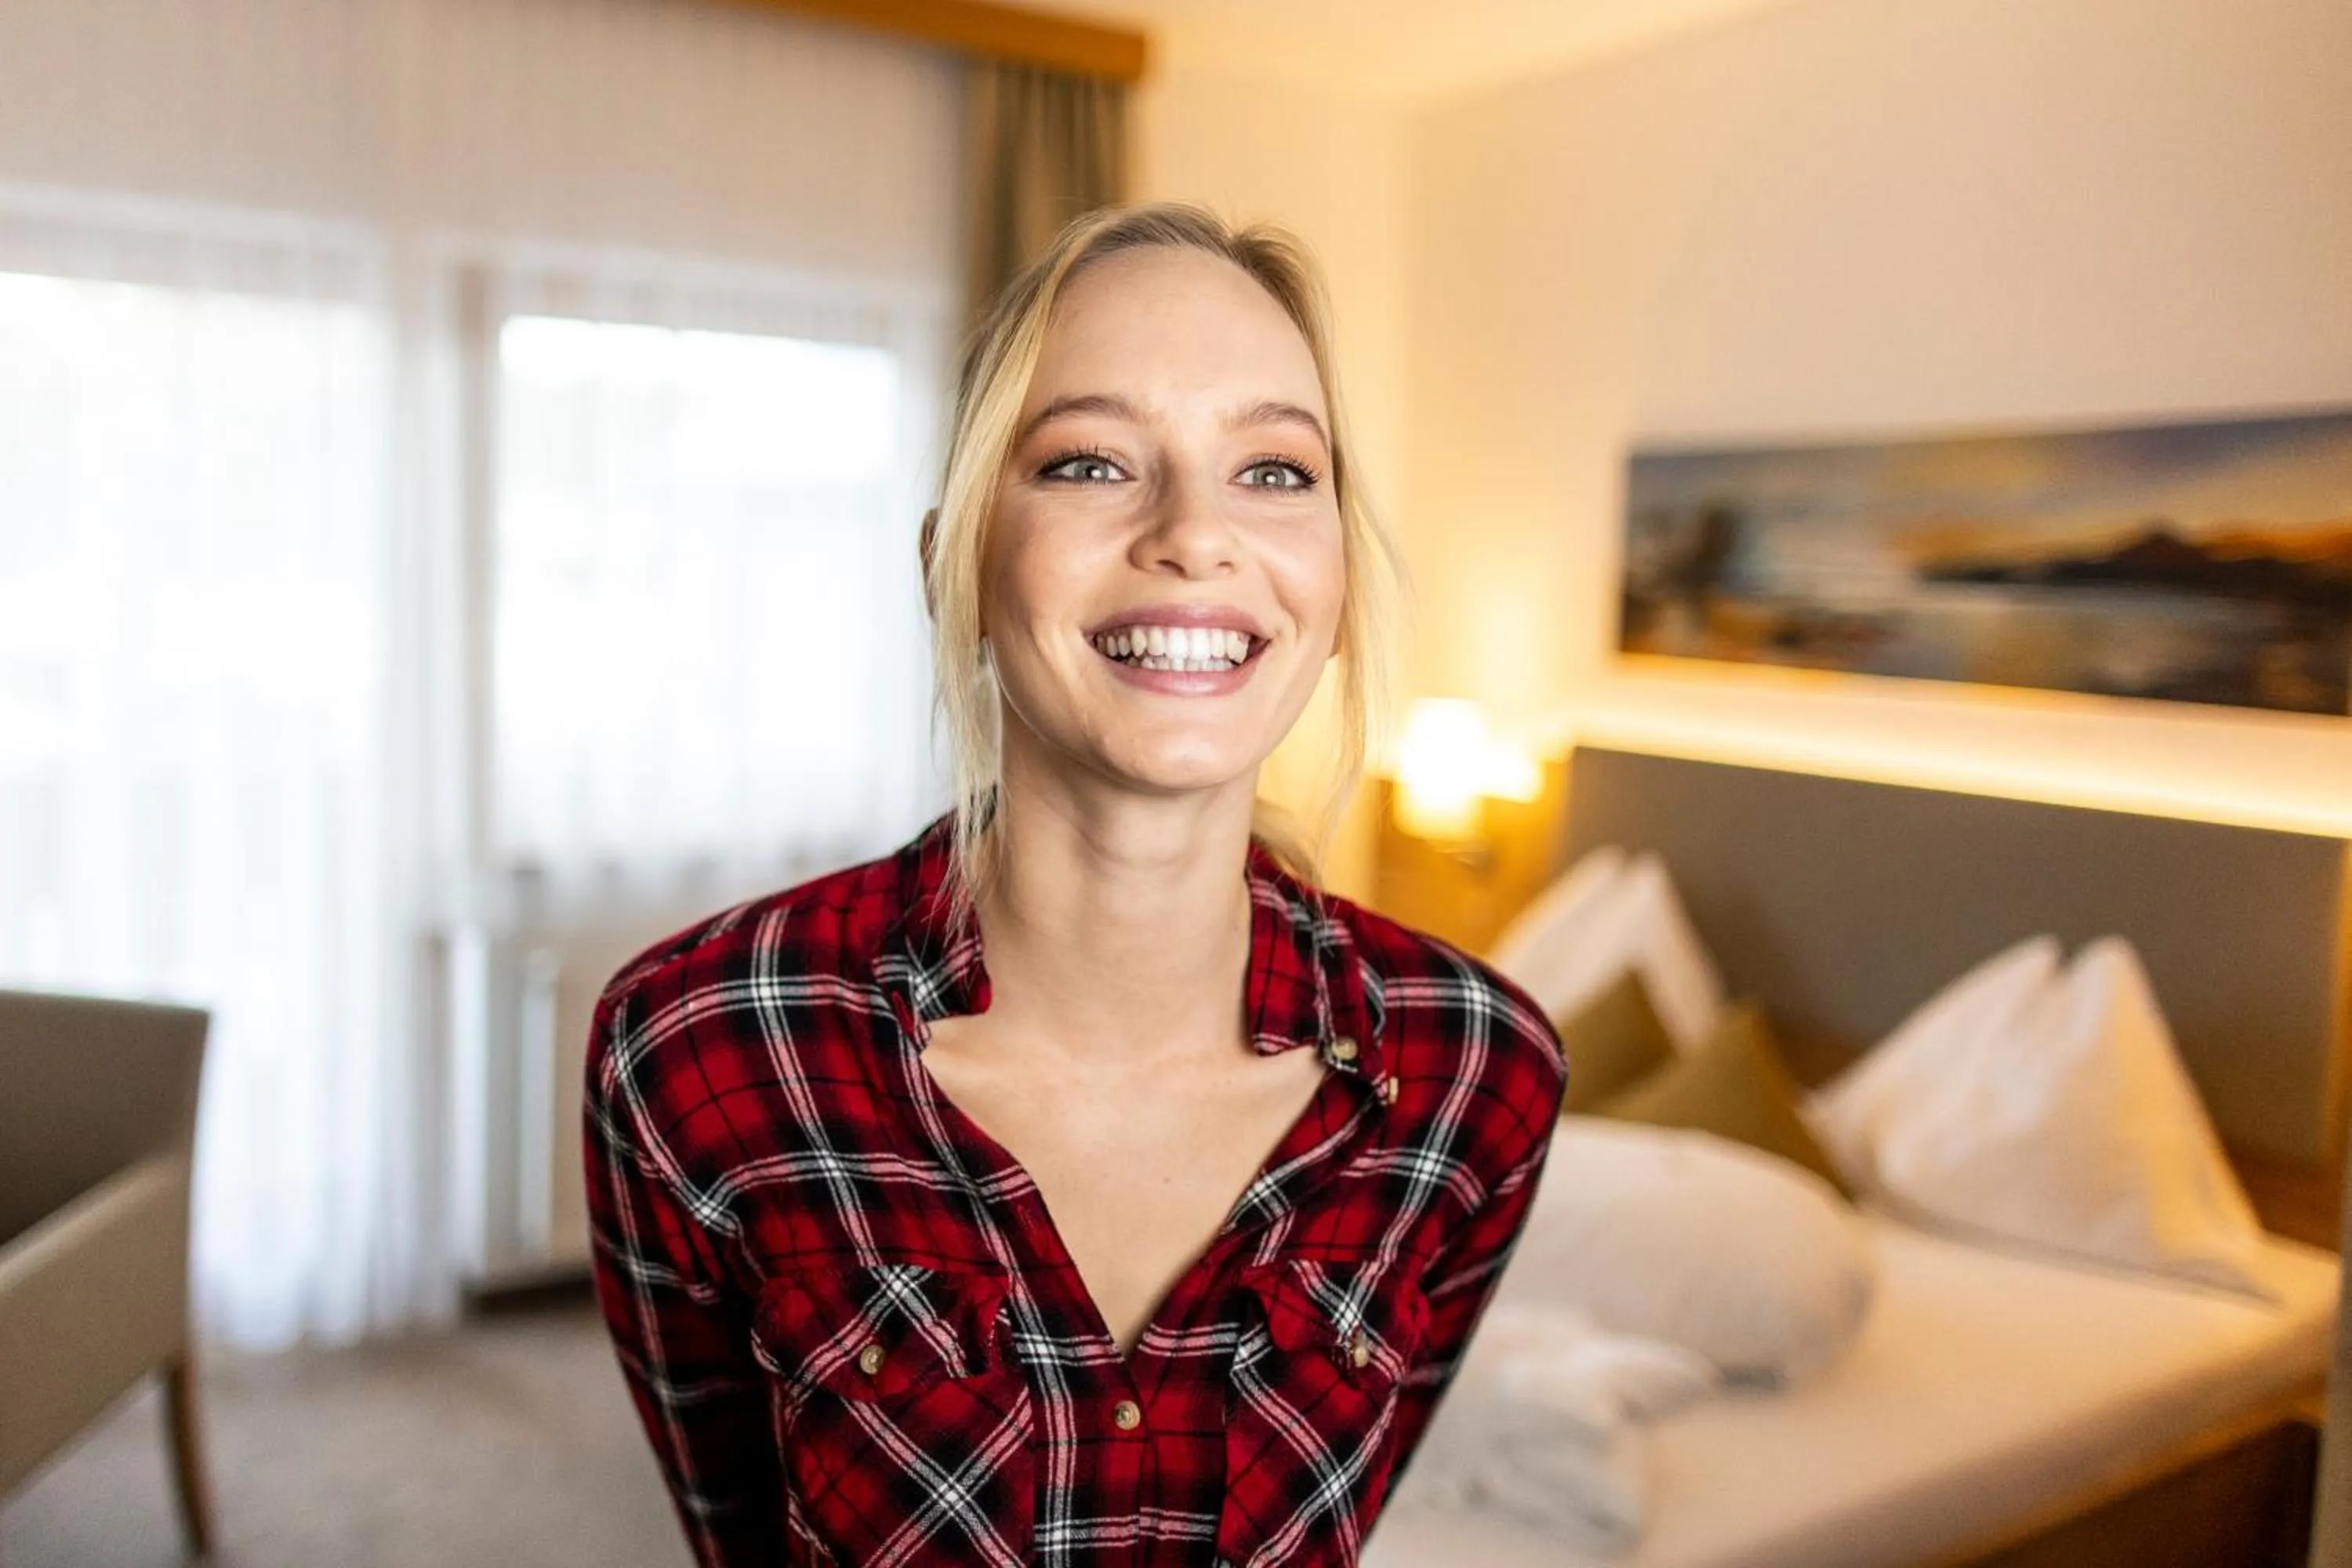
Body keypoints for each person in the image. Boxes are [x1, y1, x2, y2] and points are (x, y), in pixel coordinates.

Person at [584, 201, 1567, 1568]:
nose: (1193, 536)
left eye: (1274, 473)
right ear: (957, 565)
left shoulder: (1482, 1070)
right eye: (1093, 462)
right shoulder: (696, 1044)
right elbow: (737, 1531)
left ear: (1336, 584)